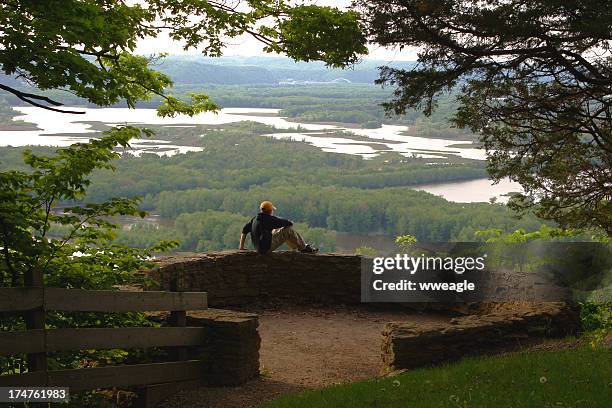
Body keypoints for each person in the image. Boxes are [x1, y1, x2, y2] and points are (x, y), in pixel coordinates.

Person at [239, 201, 318, 254]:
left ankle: (297, 248)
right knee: (288, 230)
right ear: (270, 211)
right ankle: (303, 248)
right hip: (265, 249)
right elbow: (288, 223)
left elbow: (244, 230)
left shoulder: (255, 219)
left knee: (278, 229)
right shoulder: (270, 219)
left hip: (258, 248)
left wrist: (241, 246)